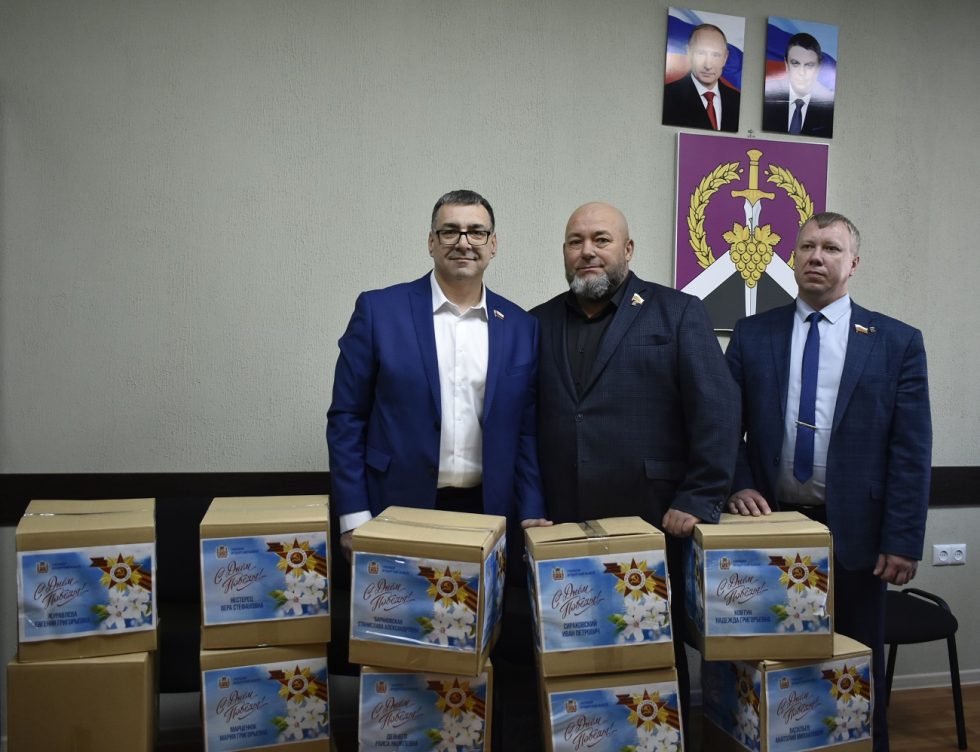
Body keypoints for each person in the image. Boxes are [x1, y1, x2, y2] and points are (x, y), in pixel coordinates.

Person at [326, 189, 549, 751]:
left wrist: (532, 513)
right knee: (399, 651)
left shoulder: (521, 325)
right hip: (397, 514)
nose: (463, 242)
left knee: (476, 655)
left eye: (476, 231)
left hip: (484, 517)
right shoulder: (379, 310)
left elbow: (525, 432)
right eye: (450, 230)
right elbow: (347, 418)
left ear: (494, 245)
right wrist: (353, 518)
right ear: (431, 241)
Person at [532, 202, 741, 742]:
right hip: (563, 525)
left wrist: (699, 496)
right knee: (573, 658)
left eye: (601, 239)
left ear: (627, 249)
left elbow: (718, 410)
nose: (587, 251)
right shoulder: (538, 321)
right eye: (575, 241)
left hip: (653, 521)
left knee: (653, 658)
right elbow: (526, 423)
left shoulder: (678, 312)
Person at [725, 212, 931, 752]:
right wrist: (738, 484)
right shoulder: (752, 334)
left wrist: (903, 539)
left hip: (858, 537)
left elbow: (911, 451)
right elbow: (723, 426)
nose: (816, 257)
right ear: (793, 258)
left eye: (831, 248)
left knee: (855, 666)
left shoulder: (896, 342)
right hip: (772, 529)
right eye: (807, 247)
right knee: (772, 666)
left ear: (853, 263)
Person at [663, 23, 741, 132]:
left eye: (716, 55)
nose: (708, 65)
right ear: (689, 53)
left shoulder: (737, 100)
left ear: (725, 58)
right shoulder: (667, 96)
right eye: (701, 53)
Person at [763, 32, 835, 137]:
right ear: (786, 65)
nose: (802, 72)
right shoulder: (766, 98)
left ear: (818, 68)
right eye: (795, 63)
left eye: (809, 65)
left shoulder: (830, 109)